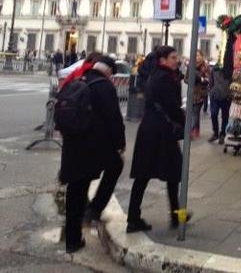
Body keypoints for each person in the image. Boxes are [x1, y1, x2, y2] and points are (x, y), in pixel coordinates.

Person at [58, 54, 126, 253]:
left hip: (72, 144)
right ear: (108, 71)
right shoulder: (104, 86)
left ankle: (72, 239)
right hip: (93, 146)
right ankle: (95, 208)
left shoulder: (78, 79)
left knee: (75, 189)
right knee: (116, 165)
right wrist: (120, 143)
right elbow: (114, 119)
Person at [127, 46, 188, 233]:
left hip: (149, 129)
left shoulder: (155, 76)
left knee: (144, 176)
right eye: (173, 57)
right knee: (173, 174)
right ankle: (175, 215)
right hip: (161, 131)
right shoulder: (166, 78)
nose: (176, 60)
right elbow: (172, 106)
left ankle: (134, 218)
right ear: (162, 60)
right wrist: (185, 121)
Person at [185, 50, 209, 138]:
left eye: (198, 55)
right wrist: (191, 81)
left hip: (201, 93)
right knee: (192, 113)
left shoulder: (205, 67)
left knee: (195, 112)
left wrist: (202, 80)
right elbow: (185, 79)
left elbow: (208, 79)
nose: (196, 57)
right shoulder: (190, 66)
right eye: (195, 56)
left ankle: (190, 131)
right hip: (192, 93)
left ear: (202, 56)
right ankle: (196, 130)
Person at [208, 63, 231, 144]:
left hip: (226, 97)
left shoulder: (229, 69)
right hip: (215, 96)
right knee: (214, 114)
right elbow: (211, 82)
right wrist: (211, 92)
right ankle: (215, 132)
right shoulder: (214, 69)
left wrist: (229, 94)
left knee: (225, 117)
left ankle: (223, 134)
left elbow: (232, 82)